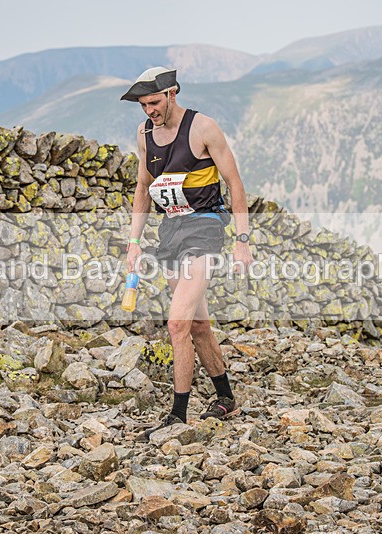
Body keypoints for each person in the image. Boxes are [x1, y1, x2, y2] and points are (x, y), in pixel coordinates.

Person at [120, 66, 254, 441]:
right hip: (171, 232)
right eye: (143, 105)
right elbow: (143, 187)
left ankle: (177, 416)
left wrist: (242, 240)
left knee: (177, 323)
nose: (149, 111)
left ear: (172, 93)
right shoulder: (145, 134)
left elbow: (234, 182)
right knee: (197, 325)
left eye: (154, 102)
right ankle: (226, 398)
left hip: (205, 230)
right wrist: (133, 243)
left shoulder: (203, 128)